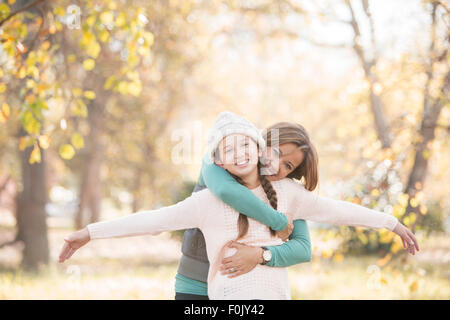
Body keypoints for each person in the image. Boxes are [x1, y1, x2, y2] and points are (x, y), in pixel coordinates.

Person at [59, 111, 418, 300]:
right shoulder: (209, 195)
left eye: (288, 165)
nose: (276, 165)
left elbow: (339, 211)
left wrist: (391, 223)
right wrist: (90, 233)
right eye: (275, 153)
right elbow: (153, 220)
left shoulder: (291, 195)